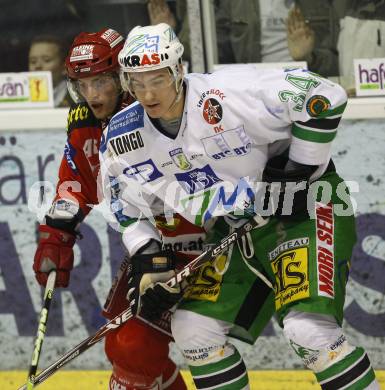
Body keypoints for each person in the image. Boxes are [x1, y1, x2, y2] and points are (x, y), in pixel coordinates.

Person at [100, 23, 380, 389]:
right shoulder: (124, 136)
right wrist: (149, 257)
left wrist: (297, 173)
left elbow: (325, 97)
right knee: (193, 328)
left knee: (308, 330)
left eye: (158, 79)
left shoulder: (230, 92)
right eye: (136, 82)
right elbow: (125, 205)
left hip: (305, 211)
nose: (148, 93)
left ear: (179, 70)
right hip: (236, 231)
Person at [32, 28, 188, 389]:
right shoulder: (84, 122)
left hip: (196, 240)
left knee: (147, 344)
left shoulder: (154, 109)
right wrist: (56, 235)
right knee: (127, 348)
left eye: (99, 81)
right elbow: (76, 183)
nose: (91, 95)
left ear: (121, 76)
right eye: (81, 85)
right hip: (146, 245)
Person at [28, 35, 72, 107]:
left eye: (46, 60)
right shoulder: (22, 97)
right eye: (33, 61)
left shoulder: (79, 97)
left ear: (65, 67)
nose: (38, 66)